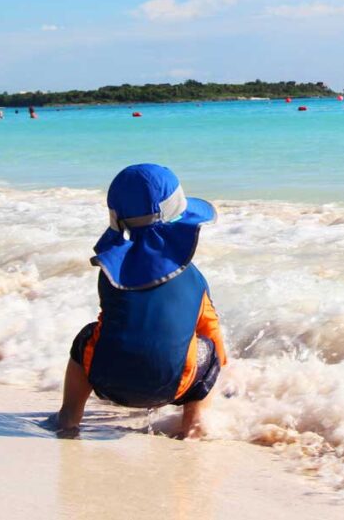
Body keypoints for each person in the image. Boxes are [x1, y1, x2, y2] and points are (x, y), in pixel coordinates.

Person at [49, 164, 227, 439]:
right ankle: (193, 423)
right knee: (209, 348)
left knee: (87, 336)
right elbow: (211, 334)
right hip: (173, 387)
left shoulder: (111, 274)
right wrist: (223, 376)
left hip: (107, 381)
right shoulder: (195, 279)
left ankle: (70, 415)